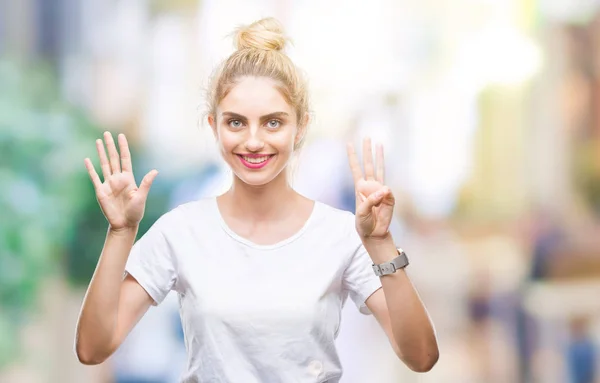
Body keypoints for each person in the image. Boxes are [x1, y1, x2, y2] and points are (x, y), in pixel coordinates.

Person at [74, 17, 439, 382]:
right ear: (213, 125)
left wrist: (380, 243)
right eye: (235, 122)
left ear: (301, 127)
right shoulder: (181, 230)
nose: (253, 141)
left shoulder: (343, 234)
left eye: (273, 122)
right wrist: (120, 232)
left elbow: (421, 356)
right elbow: (92, 348)